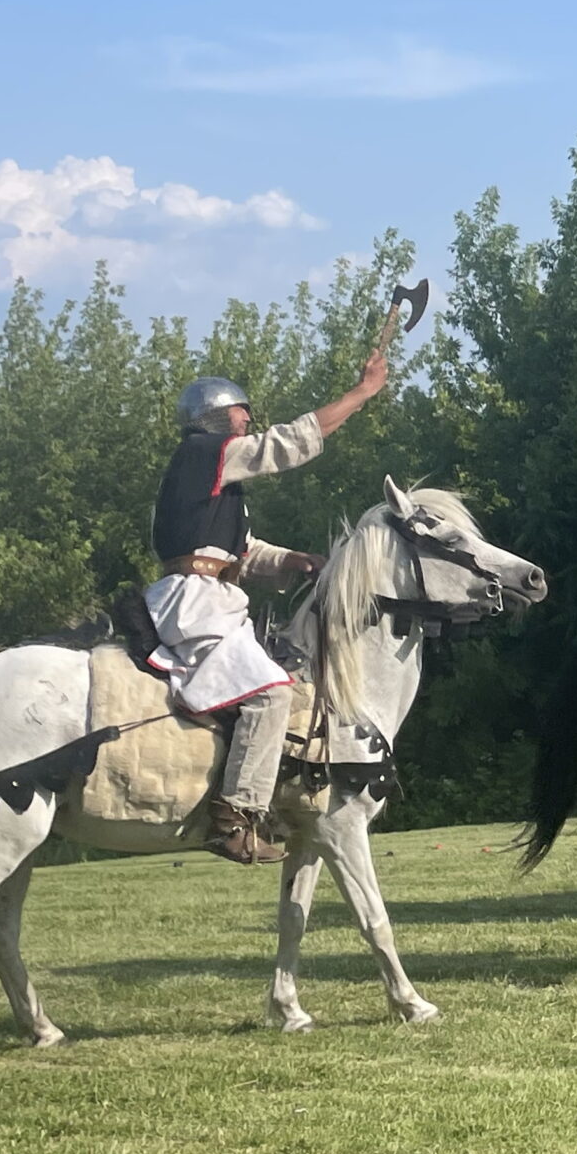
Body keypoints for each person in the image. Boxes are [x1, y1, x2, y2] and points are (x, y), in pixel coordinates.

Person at [148, 353, 387, 864]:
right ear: (214, 415)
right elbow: (287, 443)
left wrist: (291, 560)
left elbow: (238, 553)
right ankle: (233, 816)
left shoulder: (212, 478)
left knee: (277, 679)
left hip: (207, 596)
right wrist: (361, 393)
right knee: (271, 694)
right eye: (241, 410)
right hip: (196, 603)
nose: (248, 418)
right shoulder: (205, 451)